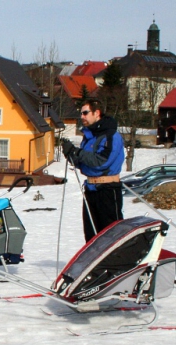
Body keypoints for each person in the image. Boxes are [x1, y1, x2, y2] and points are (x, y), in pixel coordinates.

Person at [61, 99, 125, 243]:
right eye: (81, 113)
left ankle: (115, 264)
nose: (82, 117)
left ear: (97, 113)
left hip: (107, 189)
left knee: (110, 235)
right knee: (91, 236)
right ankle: (97, 264)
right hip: (91, 190)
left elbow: (101, 162)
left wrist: (78, 153)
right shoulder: (89, 137)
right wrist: (71, 155)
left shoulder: (111, 135)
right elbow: (85, 164)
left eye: (85, 113)